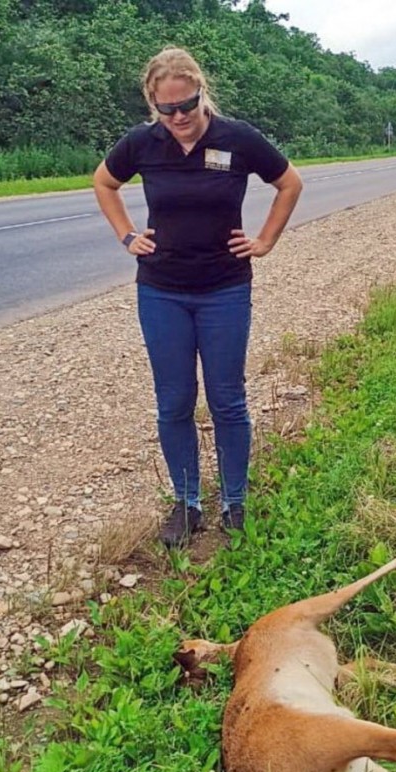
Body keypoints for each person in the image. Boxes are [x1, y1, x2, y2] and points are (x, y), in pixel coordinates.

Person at [94, 47, 302, 547]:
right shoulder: (143, 143)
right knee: (174, 401)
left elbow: (289, 183)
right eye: (167, 110)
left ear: (201, 92)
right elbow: (104, 182)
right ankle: (186, 504)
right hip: (162, 291)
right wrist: (127, 236)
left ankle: (234, 503)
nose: (179, 117)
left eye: (187, 105)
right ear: (153, 105)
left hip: (225, 288)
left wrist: (266, 240)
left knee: (227, 399)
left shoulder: (237, 138)